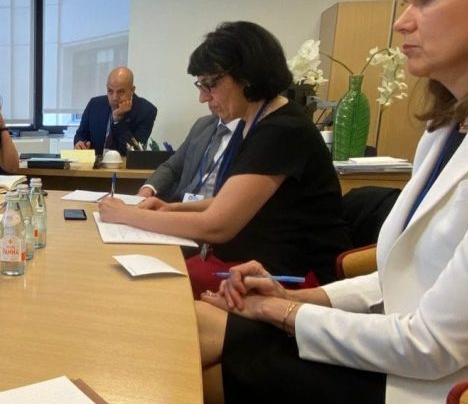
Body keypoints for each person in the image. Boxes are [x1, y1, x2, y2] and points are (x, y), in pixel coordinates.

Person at [196, 0, 468, 403]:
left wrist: (279, 311)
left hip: (438, 383)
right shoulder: (443, 131)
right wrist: (299, 299)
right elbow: (396, 283)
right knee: (205, 330)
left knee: (210, 346)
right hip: (397, 348)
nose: (402, 22)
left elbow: (431, 346)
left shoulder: (281, 129)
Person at [99, 21, 350, 298]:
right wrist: (172, 208)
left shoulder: (282, 131)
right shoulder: (255, 123)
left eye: (211, 85)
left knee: (148, 293)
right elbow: (227, 202)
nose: (202, 97)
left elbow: (217, 225)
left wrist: (127, 214)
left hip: (288, 279)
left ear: (247, 77)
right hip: (251, 266)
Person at [137, 111, 241, 203]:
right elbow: (172, 167)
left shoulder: (247, 134)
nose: (203, 99)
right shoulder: (203, 125)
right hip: (179, 205)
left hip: (215, 210)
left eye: (213, 93)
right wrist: (147, 189)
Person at [73, 66, 158, 155]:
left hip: (125, 163)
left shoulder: (146, 111)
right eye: (110, 91)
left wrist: (118, 121)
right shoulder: (94, 105)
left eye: (120, 92)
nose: (114, 98)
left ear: (132, 90)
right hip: (96, 162)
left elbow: (135, 152)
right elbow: (80, 135)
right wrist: (80, 143)